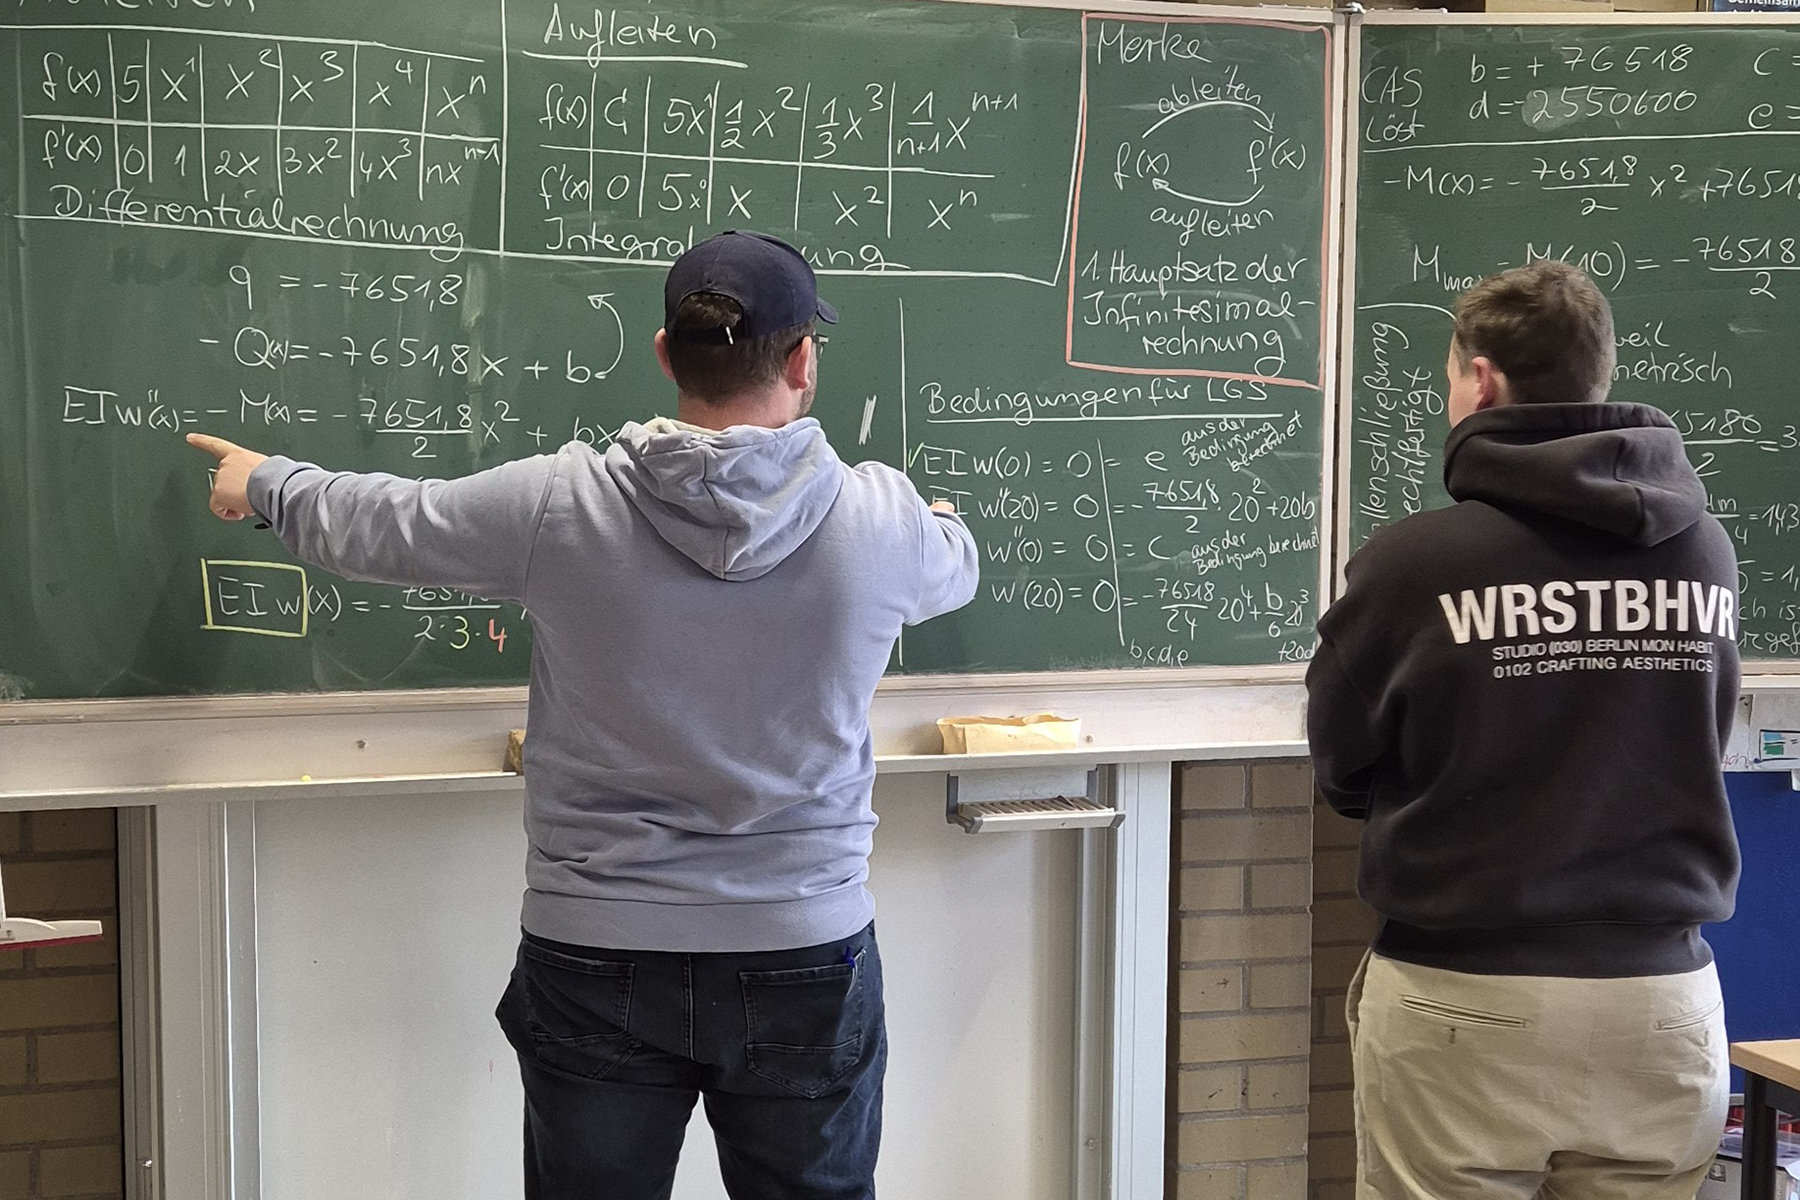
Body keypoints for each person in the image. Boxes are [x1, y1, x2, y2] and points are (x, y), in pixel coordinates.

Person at [189, 230, 980, 1200]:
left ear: (665, 355)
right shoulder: (883, 523)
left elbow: (390, 524)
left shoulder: (560, 506)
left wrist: (266, 483)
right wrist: (940, 517)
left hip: (597, 948)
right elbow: (957, 562)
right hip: (802, 947)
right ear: (803, 360)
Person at [1306, 260, 1741, 1200]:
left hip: (1464, 1000)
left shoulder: (1413, 563)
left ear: (1483, 381)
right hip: (1662, 1005)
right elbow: (1694, 738)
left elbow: (1342, 767)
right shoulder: (1702, 551)